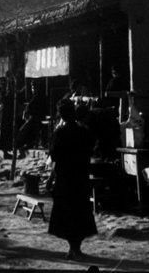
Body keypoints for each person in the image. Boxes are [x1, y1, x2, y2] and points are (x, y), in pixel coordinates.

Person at [48, 99, 97, 260]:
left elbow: (54, 155)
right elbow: (91, 148)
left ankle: (73, 248)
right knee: (80, 211)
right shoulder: (85, 131)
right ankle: (76, 247)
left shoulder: (60, 133)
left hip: (65, 177)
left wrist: (52, 177)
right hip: (81, 176)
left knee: (67, 213)